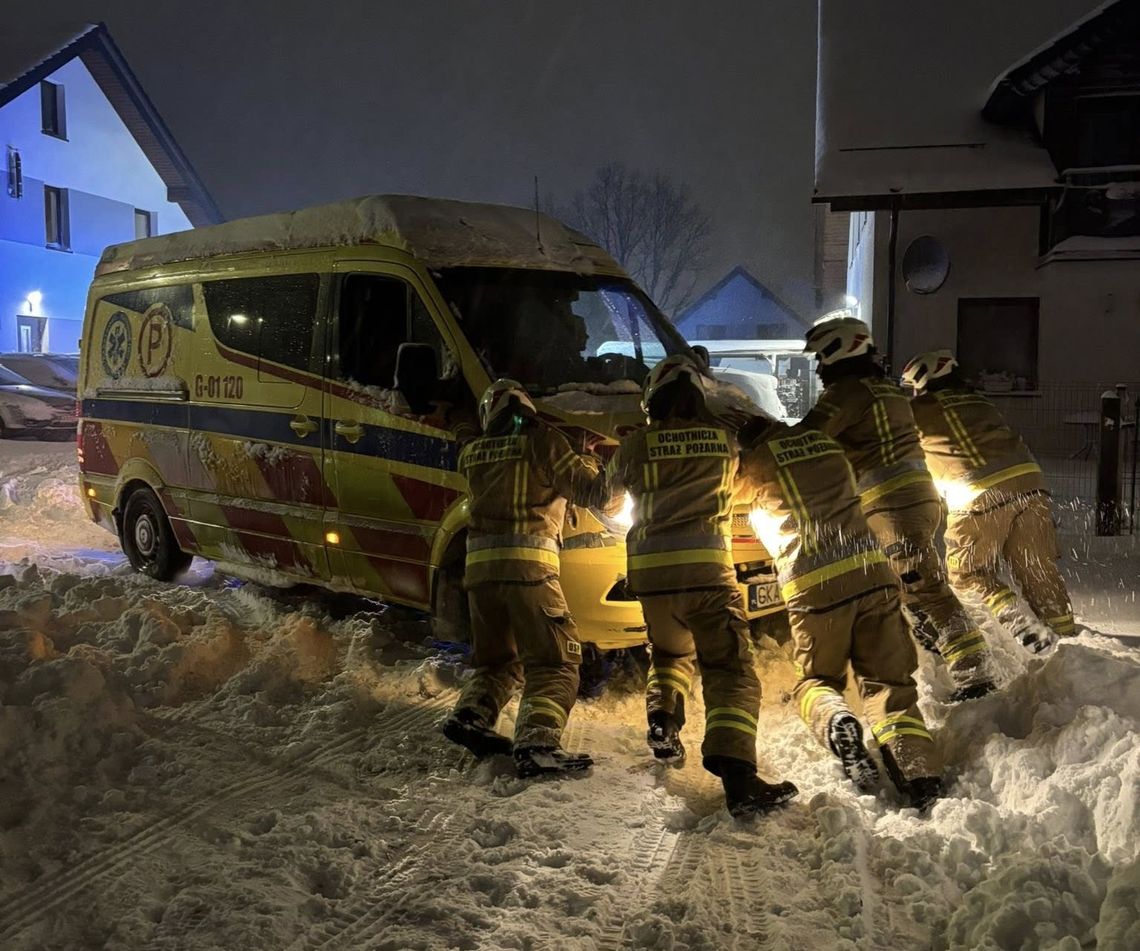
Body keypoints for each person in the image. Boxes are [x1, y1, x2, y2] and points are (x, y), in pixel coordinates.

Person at [605, 355, 799, 817]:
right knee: (728, 668)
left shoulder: (634, 447)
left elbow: (607, 502)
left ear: (652, 404)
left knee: (670, 655)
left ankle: (663, 722)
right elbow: (742, 490)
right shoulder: (723, 442)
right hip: (708, 578)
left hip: (651, 579)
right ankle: (738, 778)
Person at [737, 414, 944, 811]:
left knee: (817, 679)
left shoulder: (755, 464)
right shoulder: (828, 446)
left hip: (815, 586)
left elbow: (710, 494)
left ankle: (836, 721)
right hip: (871, 572)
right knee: (889, 685)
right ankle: (921, 777)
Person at [801, 315, 994, 702]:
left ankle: (977, 676)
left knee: (927, 587)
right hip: (915, 500)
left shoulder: (848, 393)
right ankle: (938, 646)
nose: (820, 367)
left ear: (842, 351)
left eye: (822, 357)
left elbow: (807, 438)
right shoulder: (886, 391)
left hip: (893, 505)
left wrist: (759, 434)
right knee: (905, 586)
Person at [441, 379, 605, 777]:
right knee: (555, 662)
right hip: (529, 570)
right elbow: (595, 493)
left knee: (497, 664)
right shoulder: (543, 442)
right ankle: (538, 743)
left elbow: (464, 435)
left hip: (480, 576)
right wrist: (589, 459)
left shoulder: (473, 452)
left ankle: (469, 717)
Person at [902, 350, 1075, 652]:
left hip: (979, 494)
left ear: (922, 381)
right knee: (1036, 567)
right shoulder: (979, 401)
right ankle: (1068, 640)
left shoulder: (919, 409)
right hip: (1032, 486)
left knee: (969, 574)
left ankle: (1027, 632)